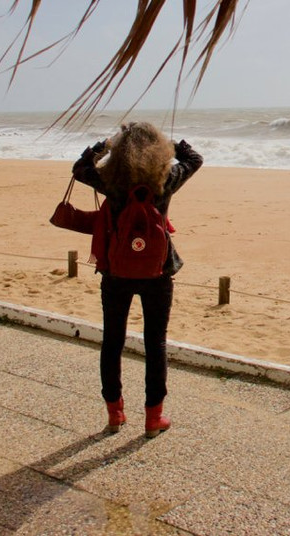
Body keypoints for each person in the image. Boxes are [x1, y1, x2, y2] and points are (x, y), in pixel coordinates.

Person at [60, 122, 202, 437]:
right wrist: (172, 143)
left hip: (115, 273)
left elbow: (80, 167)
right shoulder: (165, 180)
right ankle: (154, 418)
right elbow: (195, 160)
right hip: (158, 273)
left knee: (112, 341)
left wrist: (106, 145)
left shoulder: (111, 182)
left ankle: (115, 414)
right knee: (156, 343)